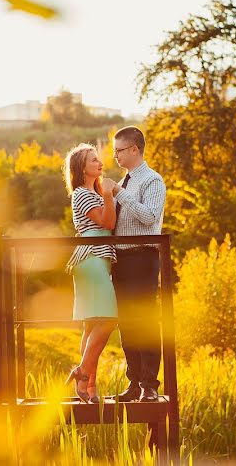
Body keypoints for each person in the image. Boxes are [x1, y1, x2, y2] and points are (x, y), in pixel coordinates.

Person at [107, 126, 167, 402]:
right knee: (127, 323)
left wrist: (118, 192)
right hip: (122, 259)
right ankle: (134, 384)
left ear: (134, 149)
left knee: (145, 320)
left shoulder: (152, 181)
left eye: (119, 150)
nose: (115, 155)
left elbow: (150, 217)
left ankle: (150, 385)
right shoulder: (127, 181)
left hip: (142, 257)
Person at [62, 143, 120, 403]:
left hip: (97, 259)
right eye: (93, 160)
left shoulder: (90, 192)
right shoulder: (83, 194)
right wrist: (108, 193)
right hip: (92, 257)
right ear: (81, 168)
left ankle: (89, 388)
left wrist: (106, 192)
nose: (100, 163)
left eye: (99, 158)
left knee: (91, 325)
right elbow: (107, 223)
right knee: (107, 320)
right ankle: (83, 372)